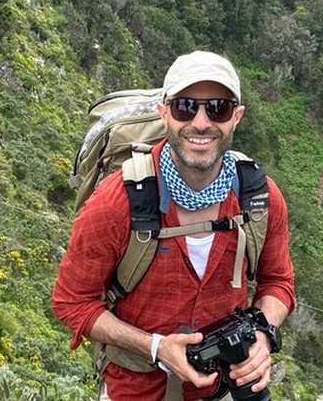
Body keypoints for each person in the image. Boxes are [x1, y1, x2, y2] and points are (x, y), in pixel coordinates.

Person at [52, 51, 296, 401]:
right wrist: (155, 347)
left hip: (223, 388)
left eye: (218, 108)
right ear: (164, 112)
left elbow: (278, 282)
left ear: (236, 117)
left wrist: (262, 333)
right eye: (185, 107)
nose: (201, 123)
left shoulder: (258, 198)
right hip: (134, 391)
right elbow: (71, 302)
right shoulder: (117, 201)